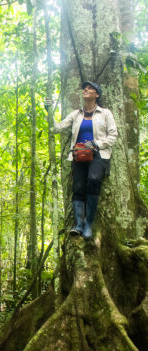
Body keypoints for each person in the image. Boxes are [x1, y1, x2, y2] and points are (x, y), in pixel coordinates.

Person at [46, 82, 118, 240]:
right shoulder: (76, 114)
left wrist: (96, 144)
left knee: (93, 180)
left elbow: (113, 135)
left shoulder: (105, 113)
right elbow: (56, 128)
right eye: (84, 88)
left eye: (90, 88)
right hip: (79, 155)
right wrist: (49, 111)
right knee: (78, 187)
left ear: (97, 94)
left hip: (99, 154)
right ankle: (79, 224)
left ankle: (88, 224)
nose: (85, 90)